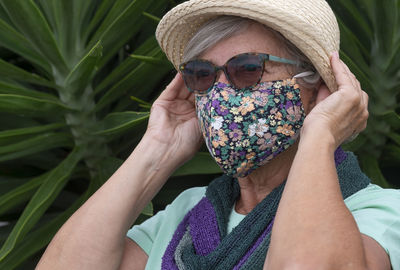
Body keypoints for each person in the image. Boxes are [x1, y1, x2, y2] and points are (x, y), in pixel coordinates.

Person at [38, 0, 400, 269]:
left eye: (246, 69)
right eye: (202, 75)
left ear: (314, 89)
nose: (220, 92)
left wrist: (320, 135)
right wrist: (156, 151)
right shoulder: (187, 215)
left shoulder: (381, 213)